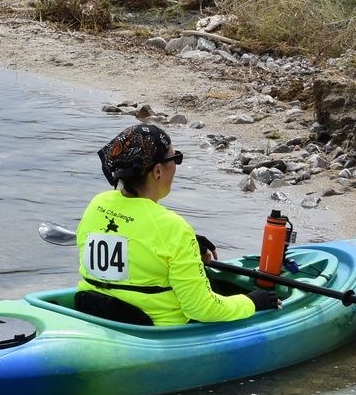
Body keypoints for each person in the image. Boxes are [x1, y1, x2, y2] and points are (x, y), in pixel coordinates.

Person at [73, 123, 277, 327]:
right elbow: (201, 308)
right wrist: (251, 302)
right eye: (175, 158)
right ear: (158, 171)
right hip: (154, 332)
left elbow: (133, 240)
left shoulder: (97, 203)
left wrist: (188, 246)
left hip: (95, 313)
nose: (176, 166)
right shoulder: (173, 228)